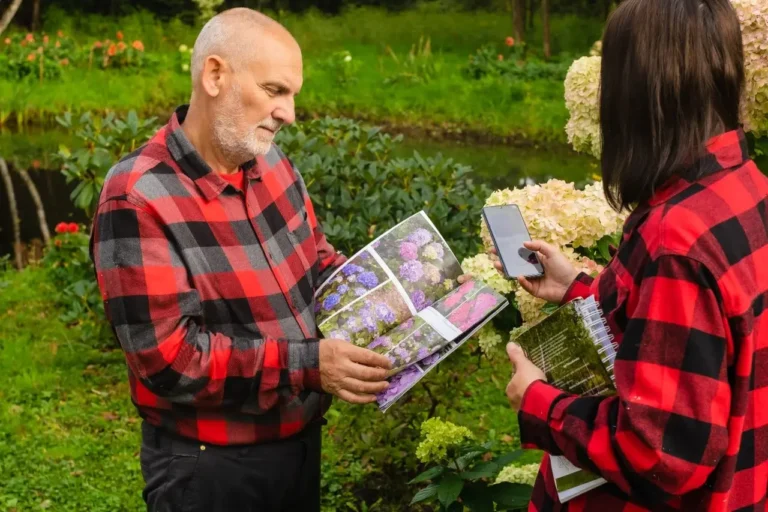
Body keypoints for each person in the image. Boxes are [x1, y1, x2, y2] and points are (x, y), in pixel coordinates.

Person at [89, 8, 392, 512]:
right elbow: (170, 362)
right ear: (214, 76)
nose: (289, 113)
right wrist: (309, 365)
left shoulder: (272, 163)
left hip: (297, 444)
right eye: (275, 91)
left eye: (292, 95)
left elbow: (313, 262)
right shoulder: (138, 197)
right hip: (210, 466)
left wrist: (399, 290)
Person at [492, 0, 768, 510]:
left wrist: (538, 402)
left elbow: (661, 454)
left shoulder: (677, 239)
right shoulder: (746, 188)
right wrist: (578, 285)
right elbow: (697, 342)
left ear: (636, 93)